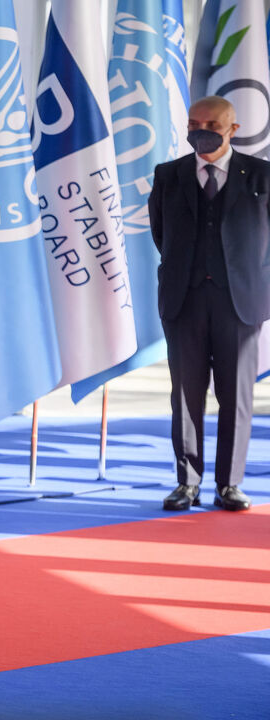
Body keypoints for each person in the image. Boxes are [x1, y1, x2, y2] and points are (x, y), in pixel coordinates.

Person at [149, 96, 270, 512]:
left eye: (211, 124)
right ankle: (187, 483)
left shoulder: (262, 175)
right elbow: (161, 234)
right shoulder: (168, 175)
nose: (200, 130)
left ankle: (229, 484)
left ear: (232, 129)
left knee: (235, 394)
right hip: (183, 300)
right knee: (185, 393)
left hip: (241, 302)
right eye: (193, 122)